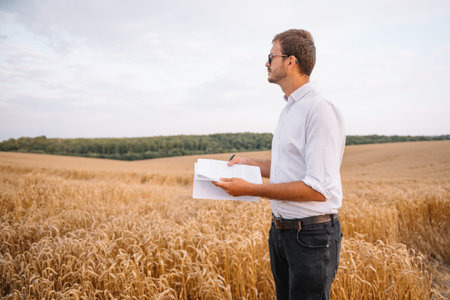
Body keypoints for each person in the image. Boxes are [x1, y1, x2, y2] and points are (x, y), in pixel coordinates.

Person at [213, 29, 345, 300]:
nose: (266, 63)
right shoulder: (290, 108)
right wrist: (249, 164)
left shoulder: (319, 109)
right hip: (282, 233)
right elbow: (290, 167)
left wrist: (253, 189)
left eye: (271, 56)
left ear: (290, 62)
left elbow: (317, 189)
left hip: (311, 236)